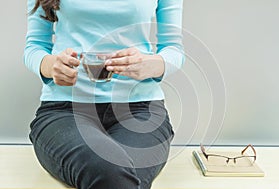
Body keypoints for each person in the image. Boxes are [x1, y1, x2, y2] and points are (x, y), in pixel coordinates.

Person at [24, 0, 184, 188]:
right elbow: (34, 47)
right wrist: (51, 66)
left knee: (117, 176)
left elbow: (174, 49)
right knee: (110, 171)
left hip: (141, 110)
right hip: (65, 111)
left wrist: (152, 64)